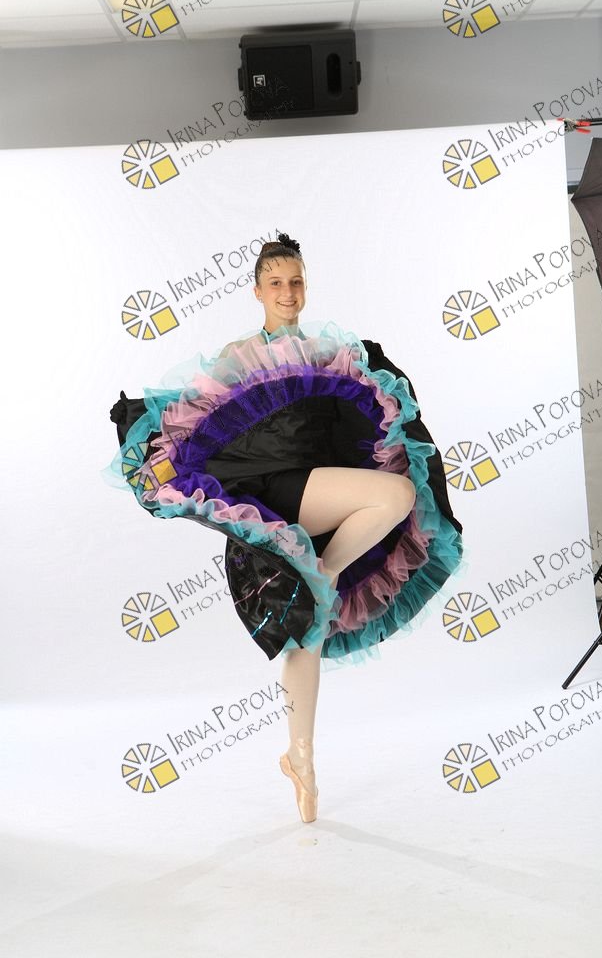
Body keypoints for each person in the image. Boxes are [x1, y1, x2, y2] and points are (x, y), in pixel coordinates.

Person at [108, 232, 463, 824]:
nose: (287, 292)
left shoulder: (326, 351)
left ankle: (300, 758)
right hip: (272, 495)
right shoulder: (242, 353)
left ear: (305, 286)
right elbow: (193, 419)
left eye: (295, 282)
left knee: (309, 631)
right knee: (395, 497)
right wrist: (157, 451)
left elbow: (357, 415)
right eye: (275, 283)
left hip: (320, 495)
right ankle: (326, 572)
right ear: (257, 291)